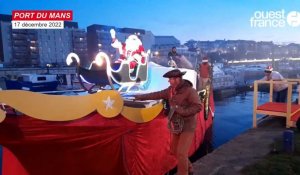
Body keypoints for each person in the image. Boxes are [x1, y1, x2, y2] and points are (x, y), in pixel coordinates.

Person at [134, 69, 201, 175]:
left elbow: (198, 106)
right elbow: (157, 94)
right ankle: (189, 167)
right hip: (177, 125)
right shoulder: (170, 90)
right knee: (174, 149)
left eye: (170, 79)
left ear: (177, 79)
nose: (169, 81)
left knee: (181, 152)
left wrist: (183, 111)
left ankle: (183, 173)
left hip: (188, 125)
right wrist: (140, 97)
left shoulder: (190, 91)